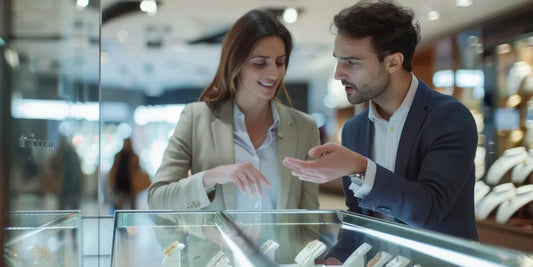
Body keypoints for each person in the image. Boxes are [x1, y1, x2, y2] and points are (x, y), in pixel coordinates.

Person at [283, 0, 478, 241]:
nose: (338, 73)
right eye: (338, 59)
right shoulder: (354, 129)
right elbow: (358, 216)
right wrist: (335, 257)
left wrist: (361, 168)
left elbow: (430, 209)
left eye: (351, 62)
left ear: (393, 62)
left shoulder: (449, 117)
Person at [147, 9, 320, 211]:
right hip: (215, 244)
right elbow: (157, 199)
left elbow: (310, 217)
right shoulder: (196, 118)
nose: (274, 73)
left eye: (280, 62)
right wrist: (209, 177)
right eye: (260, 63)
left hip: (284, 245)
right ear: (234, 64)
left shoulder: (305, 128)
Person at [108, 138, 150, 209]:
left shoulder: (134, 156)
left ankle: (132, 219)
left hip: (130, 186)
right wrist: (112, 183)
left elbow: (138, 170)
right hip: (120, 185)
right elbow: (113, 171)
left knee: (132, 206)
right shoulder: (118, 156)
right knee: (119, 206)